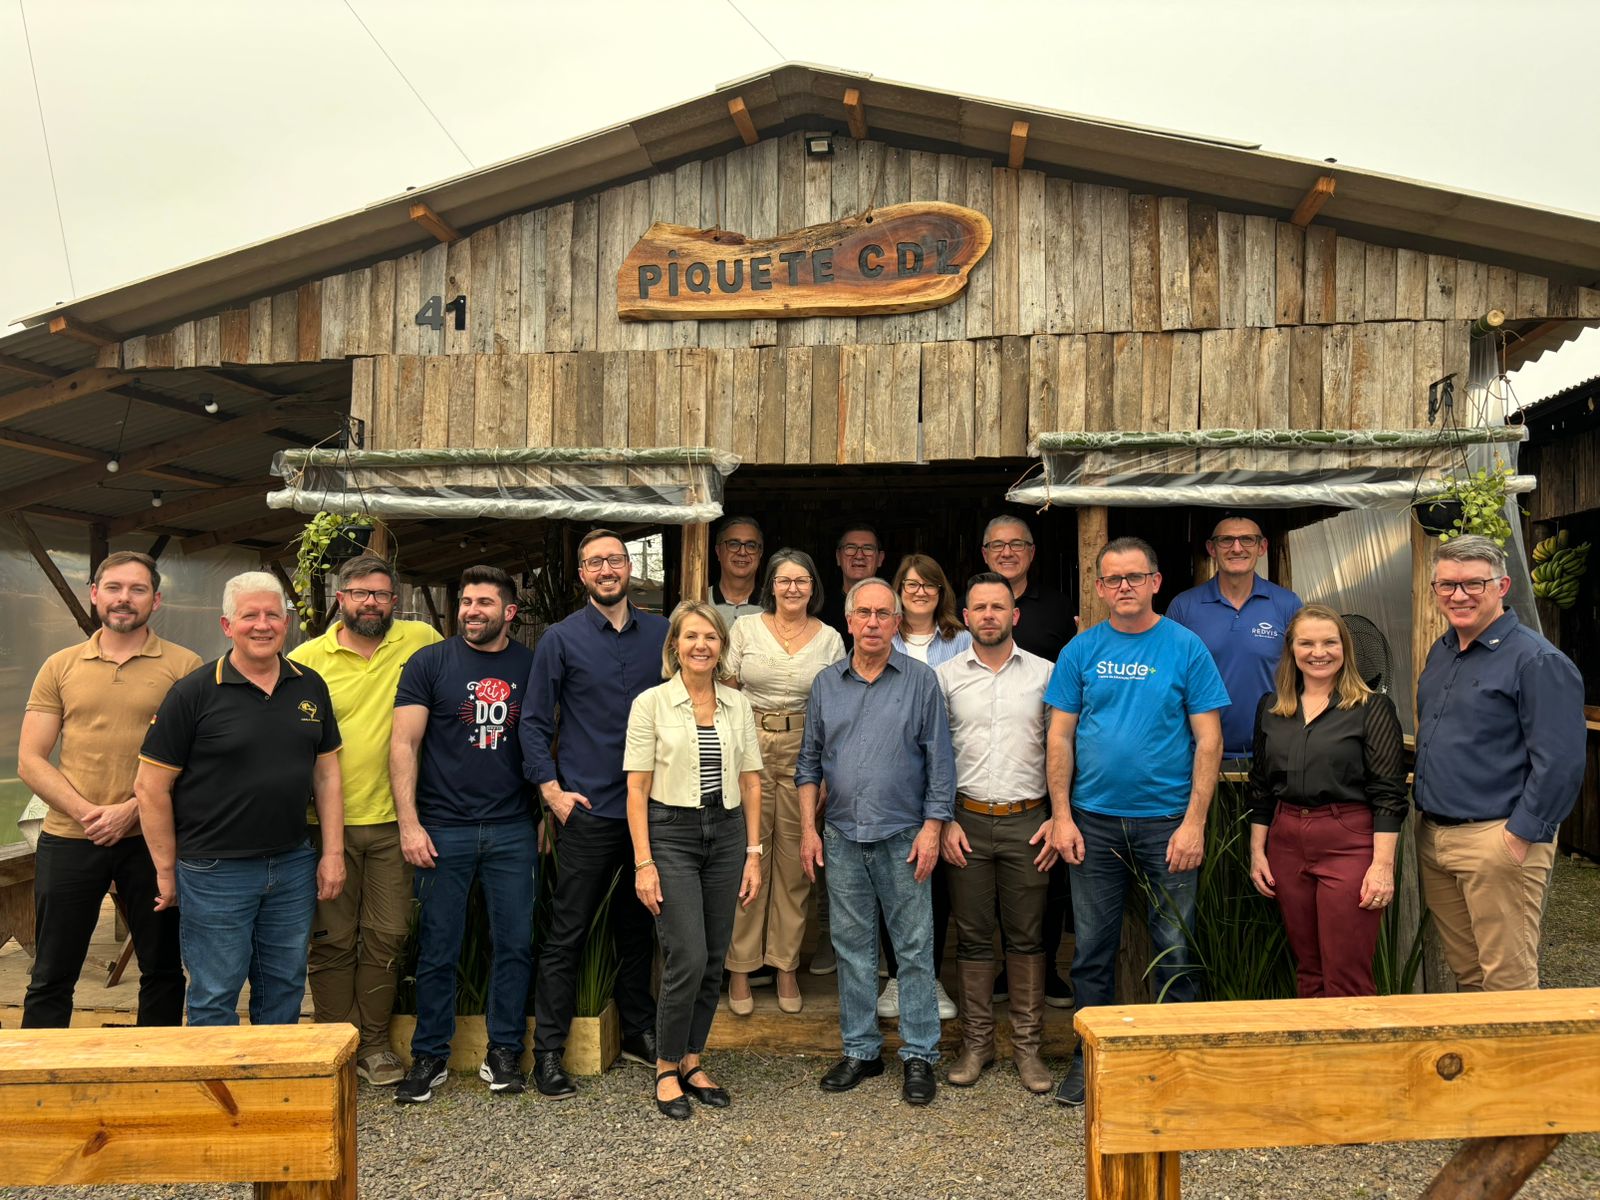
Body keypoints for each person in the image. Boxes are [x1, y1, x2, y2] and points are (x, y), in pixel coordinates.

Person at [1044, 538, 1228, 1106]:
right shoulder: (1081, 650)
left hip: (1167, 825)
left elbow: (1209, 740)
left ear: (1156, 581)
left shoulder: (1187, 647)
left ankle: (1177, 1067)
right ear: (1098, 589)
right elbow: (1059, 736)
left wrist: (1194, 823)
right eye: (1113, 579)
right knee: (1092, 951)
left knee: (1175, 948)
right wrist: (1061, 817)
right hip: (1092, 826)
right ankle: (1089, 1060)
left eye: (1134, 577)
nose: (1123, 587)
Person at [135, 571, 345, 1027]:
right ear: (227, 625)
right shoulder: (194, 692)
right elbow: (150, 787)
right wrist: (167, 872)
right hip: (214, 870)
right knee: (215, 993)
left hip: (291, 866)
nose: (263, 624)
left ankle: (274, 1092)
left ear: (286, 622)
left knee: (285, 985)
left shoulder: (309, 686)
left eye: (273, 614)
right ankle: (221, 1097)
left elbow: (327, 775)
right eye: (250, 615)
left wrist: (332, 853)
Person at [19, 551, 200, 1028]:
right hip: (71, 836)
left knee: (161, 968)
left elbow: (196, 763)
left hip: (152, 840)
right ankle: (39, 1077)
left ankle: (152, 1072)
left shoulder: (185, 667)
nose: (125, 599)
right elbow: (30, 760)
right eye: (114, 588)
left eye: (137, 589)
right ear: (94, 594)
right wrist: (87, 812)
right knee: (52, 971)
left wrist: (131, 811)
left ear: (156, 600)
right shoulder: (60, 666)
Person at [798, 577, 956, 1107]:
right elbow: (808, 764)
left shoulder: (921, 681)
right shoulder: (825, 685)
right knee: (852, 948)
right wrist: (806, 830)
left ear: (896, 622)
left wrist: (933, 828)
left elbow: (940, 762)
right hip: (841, 834)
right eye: (862, 613)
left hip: (905, 834)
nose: (871, 622)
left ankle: (919, 1055)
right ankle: (862, 1051)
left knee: (913, 948)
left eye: (882, 614)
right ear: (849, 620)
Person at [524, 529, 670, 1098]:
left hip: (652, 812)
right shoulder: (560, 640)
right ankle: (550, 1053)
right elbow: (534, 722)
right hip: (588, 811)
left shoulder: (662, 634)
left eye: (614, 559)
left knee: (638, 931)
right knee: (569, 934)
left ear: (629, 567)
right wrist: (553, 793)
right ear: (582, 575)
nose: (606, 569)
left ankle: (637, 1030)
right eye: (594, 563)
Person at [289, 555, 441, 1086]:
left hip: (396, 821)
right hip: (325, 824)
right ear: (340, 598)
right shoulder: (307, 659)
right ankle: (336, 1043)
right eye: (358, 593)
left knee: (388, 934)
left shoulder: (421, 641)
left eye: (379, 594)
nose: (369, 602)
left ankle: (374, 1045)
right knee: (331, 938)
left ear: (394, 600)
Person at [389, 565, 536, 1103]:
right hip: (441, 828)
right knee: (438, 947)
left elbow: (547, 739)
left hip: (513, 828)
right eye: (467, 601)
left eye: (484, 603)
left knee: (515, 945)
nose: (472, 611)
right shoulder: (430, 662)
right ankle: (430, 1055)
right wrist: (409, 823)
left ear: (509, 613)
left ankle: (503, 1052)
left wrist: (544, 812)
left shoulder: (531, 663)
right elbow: (404, 744)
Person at [1414, 535, 1584, 992]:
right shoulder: (1442, 651)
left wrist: (1519, 836)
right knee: (1467, 975)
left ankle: (1524, 1066)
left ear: (1502, 585)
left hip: (1497, 839)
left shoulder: (1537, 660)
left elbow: (1562, 760)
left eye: (1474, 583)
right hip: (1436, 836)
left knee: (1507, 984)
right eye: (1447, 585)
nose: (1459, 595)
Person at [625, 601, 764, 1119]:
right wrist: (644, 861)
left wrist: (753, 853)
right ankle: (664, 1066)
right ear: (675, 647)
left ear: (721, 647)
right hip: (671, 833)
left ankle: (692, 1058)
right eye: (691, 637)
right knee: (686, 954)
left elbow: (752, 782)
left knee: (713, 958)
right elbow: (636, 790)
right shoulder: (651, 704)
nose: (701, 645)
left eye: (710, 637)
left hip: (726, 833)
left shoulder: (737, 706)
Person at [1246, 605, 1408, 997]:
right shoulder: (1271, 708)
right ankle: (1317, 1057)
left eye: (1329, 642)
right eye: (1307, 643)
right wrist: (1258, 852)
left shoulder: (1372, 708)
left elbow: (1389, 794)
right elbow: (1261, 786)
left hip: (1348, 840)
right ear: (1292, 650)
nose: (1319, 652)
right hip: (1285, 841)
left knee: (1346, 974)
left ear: (1345, 648)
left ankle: (1358, 1058)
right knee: (1309, 970)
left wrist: (1382, 867)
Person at [936, 573, 1057, 1093]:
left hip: (1030, 821)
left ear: (1015, 615)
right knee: (973, 935)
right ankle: (978, 1044)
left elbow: (1062, 750)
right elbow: (934, 757)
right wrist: (941, 820)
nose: (988, 615)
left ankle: (1029, 1051)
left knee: (1029, 936)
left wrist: (1060, 815)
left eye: (998, 607)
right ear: (965, 617)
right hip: (965, 820)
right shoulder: (943, 678)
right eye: (978, 607)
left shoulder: (1046, 675)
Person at [724, 550, 845, 1016]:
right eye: (783, 580)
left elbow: (836, 707)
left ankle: (786, 966)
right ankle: (740, 968)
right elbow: (727, 692)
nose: (792, 588)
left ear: (813, 587)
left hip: (805, 749)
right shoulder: (746, 629)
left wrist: (829, 770)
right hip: (750, 747)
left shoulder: (831, 638)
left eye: (801, 580)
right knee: (748, 855)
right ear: (770, 586)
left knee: (796, 863)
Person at [980, 514, 1076, 1006]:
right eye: (997, 545)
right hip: (988, 761)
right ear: (984, 554)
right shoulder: (975, 606)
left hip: (1047, 760)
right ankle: (1001, 969)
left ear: (1032, 553)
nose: (1007, 551)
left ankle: (1049, 970)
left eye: (1017, 544)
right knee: (992, 884)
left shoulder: (1060, 609)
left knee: (1047, 878)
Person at [878, 553, 971, 1021]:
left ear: (941, 592)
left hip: (946, 774)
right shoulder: (879, 636)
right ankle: (896, 978)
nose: (918, 591)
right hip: (890, 776)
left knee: (933, 883)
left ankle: (930, 978)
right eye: (910, 583)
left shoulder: (963, 641)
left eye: (928, 585)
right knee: (890, 882)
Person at [1166, 514, 1302, 764]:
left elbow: (1304, 675)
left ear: (1262, 547)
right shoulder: (1184, 607)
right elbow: (1168, 682)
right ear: (1211, 548)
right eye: (1226, 540)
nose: (1236, 548)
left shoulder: (1287, 604)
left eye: (1247, 540)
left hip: (1272, 752)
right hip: (1199, 753)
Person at [819, 524, 886, 637]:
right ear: (838, 557)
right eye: (850, 548)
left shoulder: (892, 607)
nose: (859, 556)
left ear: (880, 558)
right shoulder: (820, 608)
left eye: (868, 549)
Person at [710, 515, 765, 625]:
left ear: (760, 553)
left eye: (751, 545)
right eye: (734, 544)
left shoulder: (775, 606)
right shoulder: (697, 602)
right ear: (718, 551)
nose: (742, 552)